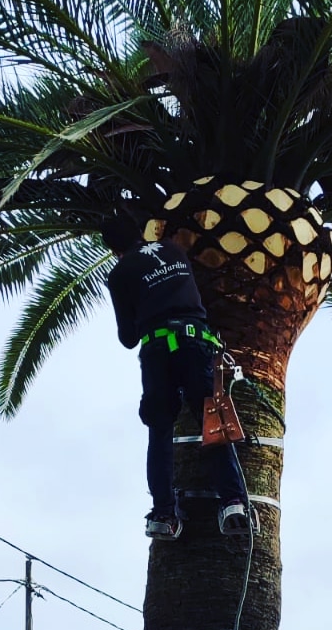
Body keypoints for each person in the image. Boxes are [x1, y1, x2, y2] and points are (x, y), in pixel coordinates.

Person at [101, 215, 249, 540]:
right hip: (195, 342)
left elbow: (127, 337)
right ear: (139, 232)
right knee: (211, 419)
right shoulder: (173, 250)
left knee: (160, 429)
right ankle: (234, 502)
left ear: (112, 249)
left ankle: (164, 513)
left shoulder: (119, 274)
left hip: (157, 351)